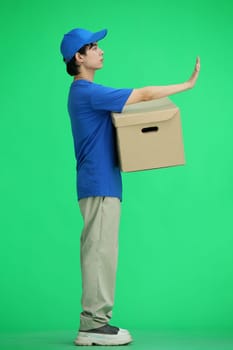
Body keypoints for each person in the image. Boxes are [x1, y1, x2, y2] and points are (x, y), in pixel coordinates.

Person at [60, 27, 200, 346]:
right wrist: (188, 84)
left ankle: (96, 322)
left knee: (103, 252)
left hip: (102, 183)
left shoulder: (86, 93)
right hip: (99, 184)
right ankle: (93, 326)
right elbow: (145, 94)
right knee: (99, 253)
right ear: (78, 57)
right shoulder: (86, 92)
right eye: (92, 46)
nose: (100, 50)